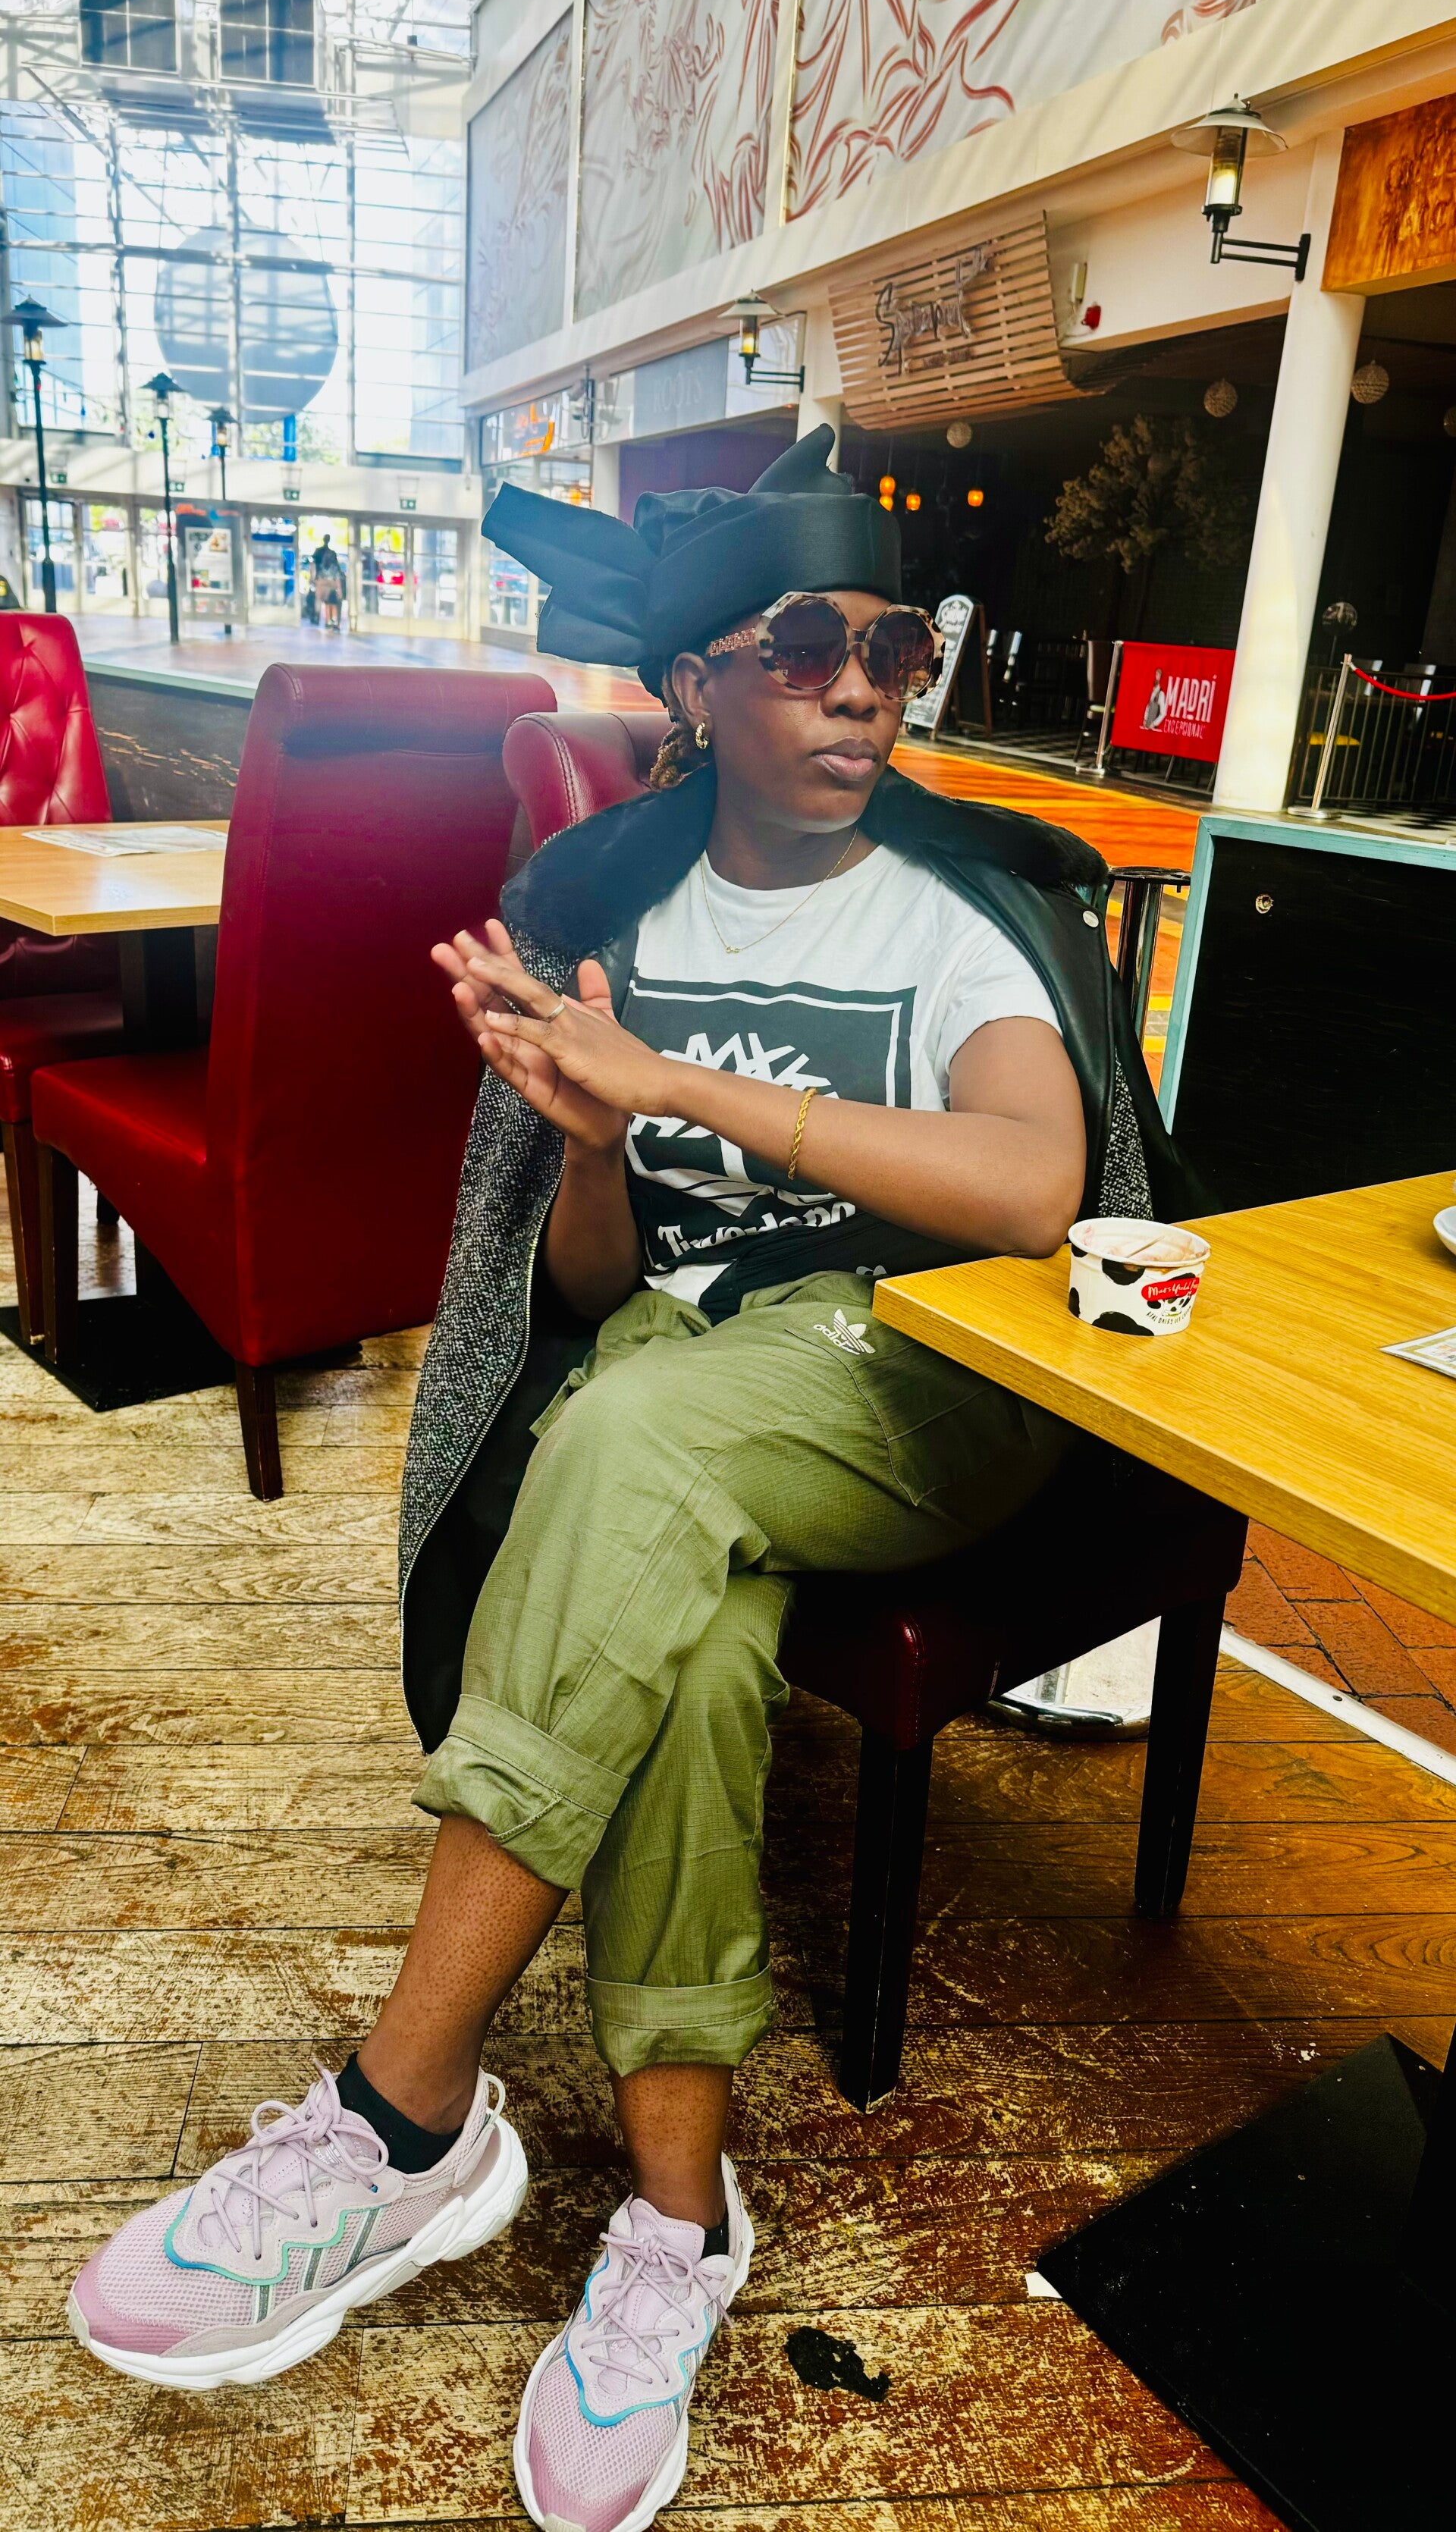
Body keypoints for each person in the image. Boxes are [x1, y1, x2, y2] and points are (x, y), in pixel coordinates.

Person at [67, 431, 1192, 2529]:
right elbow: (588, 1284)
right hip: (691, 1376)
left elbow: (1036, 1181)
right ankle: (680, 2220)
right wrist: (595, 1138)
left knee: (629, 1433)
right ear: (693, 681)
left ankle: (405, 2106)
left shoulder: (962, 903)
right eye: (805, 648)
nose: (861, 689)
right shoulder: (610, 905)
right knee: (688, 1620)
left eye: (895, 650)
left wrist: (678, 1081)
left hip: (929, 1367)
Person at [311, 532, 344, 631]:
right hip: (331, 582)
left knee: (318, 599)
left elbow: (313, 565)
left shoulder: (318, 552)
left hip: (320, 580)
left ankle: (317, 616)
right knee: (330, 601)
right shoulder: (332, 554)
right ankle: (329, 620)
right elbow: (337, 568)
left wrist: (312, 578)